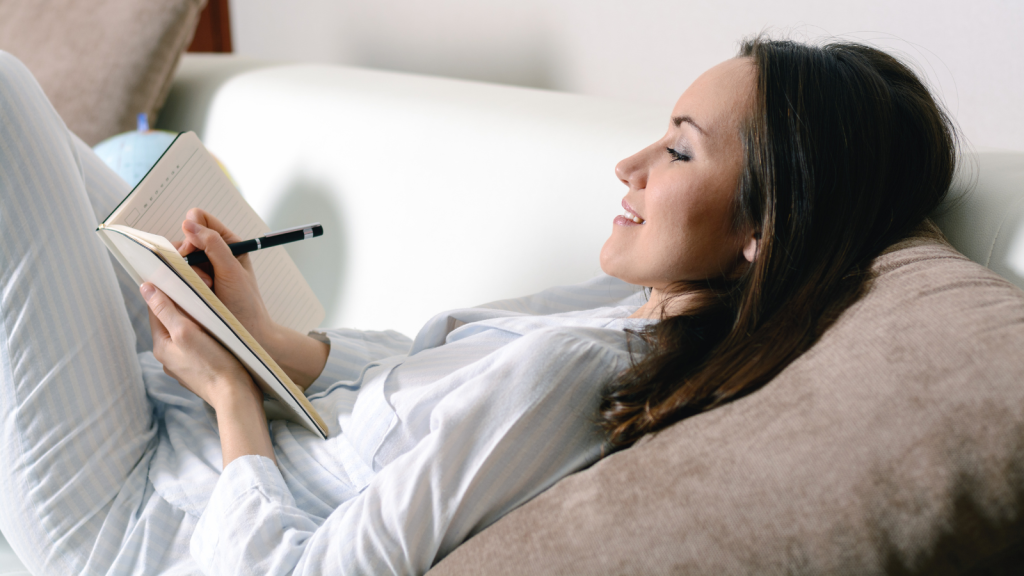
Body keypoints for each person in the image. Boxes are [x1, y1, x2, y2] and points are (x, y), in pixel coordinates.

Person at [0, 36, 956, 575]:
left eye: (678, 151)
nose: (629, 164)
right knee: (110, 178)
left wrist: (233, 399)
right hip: (195, 431)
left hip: (148, 527)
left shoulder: (580, 373)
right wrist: (274, 344)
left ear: (768, 229)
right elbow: (419, 372)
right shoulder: (626, 307)